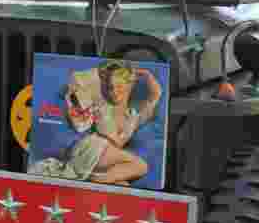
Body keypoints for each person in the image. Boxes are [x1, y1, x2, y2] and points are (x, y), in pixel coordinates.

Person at [28, 60, 163, 186]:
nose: (114, 92)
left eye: (119, 87)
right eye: (110, 88)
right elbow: (76, 78)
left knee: (123, 184)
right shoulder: (100, 107)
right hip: (92, 147)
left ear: (129, 86)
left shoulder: (134, 116)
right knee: (140, 166)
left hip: (106, 156)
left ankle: (95, 180)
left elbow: (155, 94)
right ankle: (97, 180)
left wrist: (146, 73)